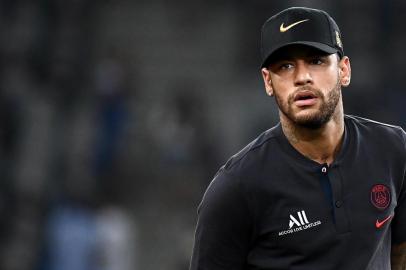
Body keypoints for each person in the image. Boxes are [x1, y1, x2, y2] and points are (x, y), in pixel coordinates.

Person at [189, 7, 406, 270]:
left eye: (316, 61)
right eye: (286, 66)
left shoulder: (393, 150)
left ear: (344, 70)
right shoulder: (237, 188)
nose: (302, 77)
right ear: (268, 82)